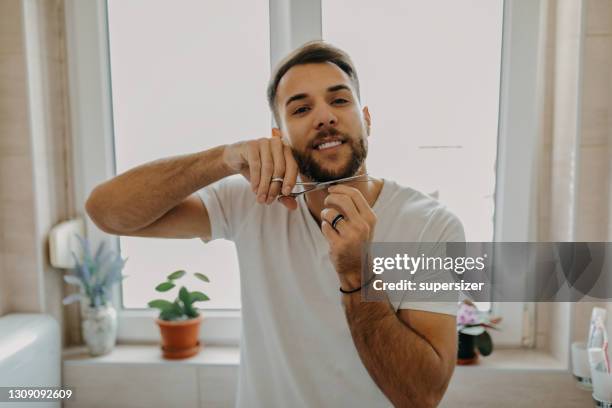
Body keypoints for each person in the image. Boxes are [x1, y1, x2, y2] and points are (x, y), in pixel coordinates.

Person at [86, 41, 465, 408]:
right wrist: (224, 158)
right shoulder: (251, 202)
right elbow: (106, 212)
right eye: (301, 109)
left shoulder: (435, 226)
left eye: (339, 100)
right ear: (278, 137)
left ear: (366, 120)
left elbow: (422, 397)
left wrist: (356, 275)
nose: (324, 117)